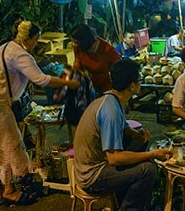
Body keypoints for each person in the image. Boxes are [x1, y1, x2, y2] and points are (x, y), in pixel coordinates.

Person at [0, 21, 80, 205]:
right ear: (28, 38)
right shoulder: (19, 54)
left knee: (4, 144)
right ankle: (8, 191)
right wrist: (69, 83)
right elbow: (41, 80)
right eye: (36, 39)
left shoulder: (6, 47)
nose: (37, 43)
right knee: (8, 145)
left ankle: (14, 181)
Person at [73, 59, 172, 211]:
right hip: (92, 175)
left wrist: (137, 136)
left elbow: (122, 129)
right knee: (149, 170)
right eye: (139, 79)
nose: (140, 82)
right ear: (132, 86)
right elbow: (114, 158)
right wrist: (153, 154)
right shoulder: (111, 111)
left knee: (140, 144)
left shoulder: (110, 98)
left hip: (95, 163)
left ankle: (124, 198)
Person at [70, 24, 121, 93]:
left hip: (108, 88)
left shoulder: (107, 50)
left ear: (84, 41)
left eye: (76, 42)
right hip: (91, 87)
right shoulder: (78, 47)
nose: (73, 44)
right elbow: (77, 66)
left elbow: (120, 70)